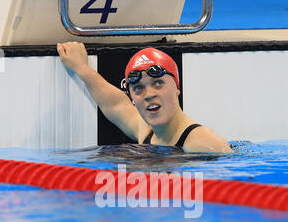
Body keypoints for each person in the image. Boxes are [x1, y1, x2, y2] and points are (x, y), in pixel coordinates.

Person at [57, 43, 232, 153]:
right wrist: (81, 68)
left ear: (177, 87)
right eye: (138, 88)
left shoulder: (203, 143)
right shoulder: (146, 131)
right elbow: (114, 103)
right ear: (132, 96)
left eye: (158, 84)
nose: (149, 95)